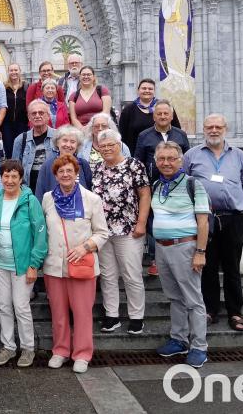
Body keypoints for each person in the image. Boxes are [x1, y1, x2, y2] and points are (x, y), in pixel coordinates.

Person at [184, 114, 243, 332]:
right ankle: (210, 310)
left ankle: (235, 312)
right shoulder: (192, 155)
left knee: (232, 267)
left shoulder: (239, 155)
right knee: (208, 266)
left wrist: (234, 200)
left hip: (233, 217)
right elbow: (184, 183)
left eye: (218, 127)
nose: (213, 130)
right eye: (209, 127)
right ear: (203, 129)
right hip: (205, 219)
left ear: (225, 128)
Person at [42, 154, 109, 373]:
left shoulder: (92, 199)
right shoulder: (47, 198)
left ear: (76, 172)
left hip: (82, 264)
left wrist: (86, 247)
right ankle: (60, 351)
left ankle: (82, 353)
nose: (65, 174)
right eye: (61, 171)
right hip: (54, 265)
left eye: (69, 170)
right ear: (55, 175)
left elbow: (102, 233)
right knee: (58, 313)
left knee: (82, 312)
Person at [151, 141, 210, 368]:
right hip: (162, 248)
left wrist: (200, 252)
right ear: (156, 162)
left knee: (193, 299)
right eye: (162, 159)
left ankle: (199, 346)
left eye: (171, 159)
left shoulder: (193, 185)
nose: (166, 163)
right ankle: (179, 339)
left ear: (180, 160)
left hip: (185, 247)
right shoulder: (156, 184)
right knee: (174, 297)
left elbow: (203, 223)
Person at [91, 130, 150, 334]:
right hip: (103, 231)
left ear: (119, 144)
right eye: (103, 146)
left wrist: (141, 223)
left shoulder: (134, 165)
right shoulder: (97, 168)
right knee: (108, 275)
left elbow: (144, 194)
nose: (107, 149)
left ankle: (136, 317)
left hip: (129, 229)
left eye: (111, 145)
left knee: (131, 274)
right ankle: (112, 316)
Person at [0, 159, 48, 367]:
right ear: (1, 177)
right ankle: (8, 347)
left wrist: (34, 264)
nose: (10, 180)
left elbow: (40, 234)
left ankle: (28, 349)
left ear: (21, 178)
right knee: (4, 305)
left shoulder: (30, 201)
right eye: (6, 176)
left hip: (23, 265)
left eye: (14, 176)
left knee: (21, 307)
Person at [134, 99, 190, 183]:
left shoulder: (181, 135)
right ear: (154, 117)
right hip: (152, 184)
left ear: (172, 116)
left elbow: (187, 160)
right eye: (159, 114)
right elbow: (138, 163)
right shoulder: (144, 136)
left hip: (178, 184)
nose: (163, 117)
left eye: (166, 114)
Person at [118, 79, 181, 152]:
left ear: (154, 91)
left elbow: (177, 130)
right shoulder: (128, 110)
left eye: (150, 89)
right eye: (144, 88)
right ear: (138, 90)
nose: (147, 91)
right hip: (135, 152)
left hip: (163, 153)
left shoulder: (165, 107)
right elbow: (122, 134)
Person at [34, 125, 93, 202]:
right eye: (65, 140)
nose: (68, 145)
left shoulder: (83, 164)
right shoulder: (47, 165)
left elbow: (89, 190)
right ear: (57, 143)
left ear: (77, 146)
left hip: (81, 209)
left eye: (72, 142)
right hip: (54, 209)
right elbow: (39, 193)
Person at [12, 100, 57, 193]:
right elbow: (15, 168)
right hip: (28, 189)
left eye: (41, 113)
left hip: (54, 187)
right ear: (29, 117)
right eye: (33, 113)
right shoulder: (20, 140)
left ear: (48, 116)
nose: (37, 115)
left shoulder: (58, 136)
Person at [2, 63, 28, 159]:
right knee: (9, 148)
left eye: (16, 70)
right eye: (11, 70)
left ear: (20, 71)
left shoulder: (26, 86)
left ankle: (20, 171)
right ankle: (10, 171)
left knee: (21, 149)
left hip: (22, 123)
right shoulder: (3, 87)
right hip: (6, 124)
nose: (14, 72)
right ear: (8, 72)